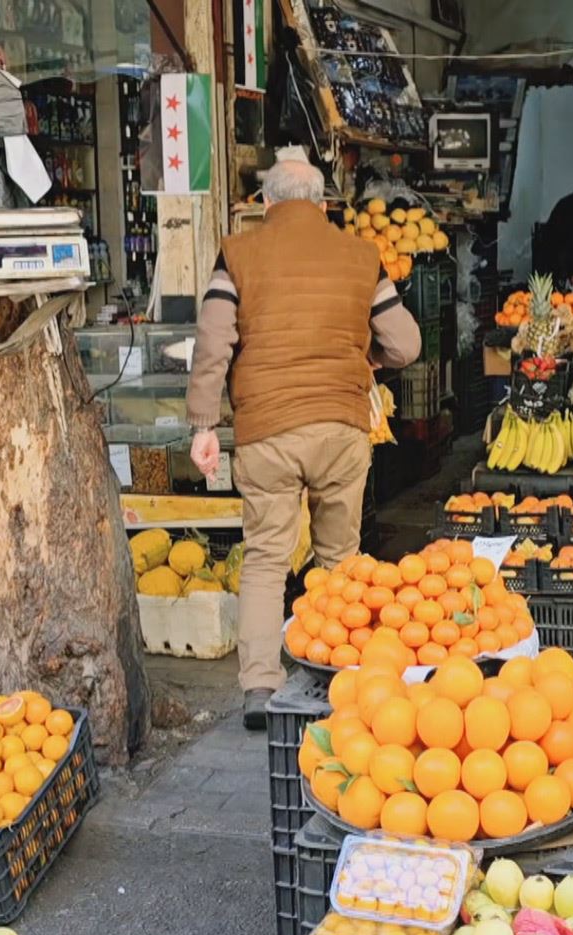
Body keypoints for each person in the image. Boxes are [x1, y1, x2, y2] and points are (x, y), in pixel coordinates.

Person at [186, 151, 422, 730]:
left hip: (266, 429)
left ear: (265, 205)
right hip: (342, 426)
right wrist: (361, 359)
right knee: (341, 557)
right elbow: (407, 345)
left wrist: (203, 425)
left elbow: (213, 342)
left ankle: (261, 688)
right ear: (323, 205)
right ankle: (340, 677)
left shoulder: (237, 254)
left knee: (267, 557)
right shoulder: (362, 255)